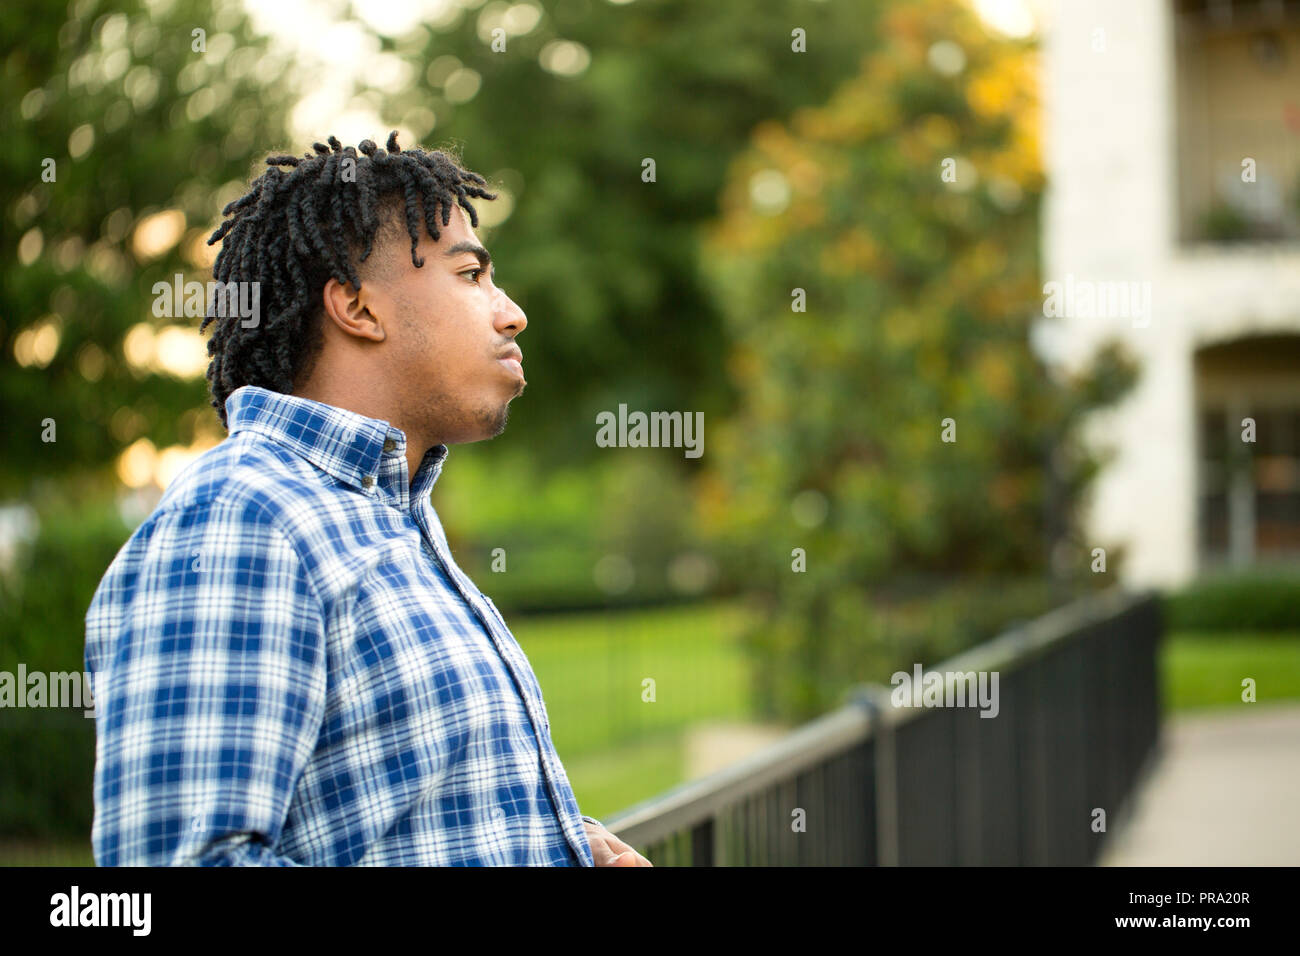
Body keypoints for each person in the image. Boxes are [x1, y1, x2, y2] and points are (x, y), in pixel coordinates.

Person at [84, 132, 650, 867]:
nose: (512, 314)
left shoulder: (389, 519)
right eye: (471, 275)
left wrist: (560, 847)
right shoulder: (243, 516)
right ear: (357, 307)